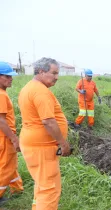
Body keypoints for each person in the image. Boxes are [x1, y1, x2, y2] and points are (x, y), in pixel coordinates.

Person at [18, 57, 71, 209]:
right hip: (42, 147)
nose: (57, 77)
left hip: (34, 144)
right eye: (54, 73)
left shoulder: (30, 87)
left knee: (42, 184)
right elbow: (48, 121)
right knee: (50, 189)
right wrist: (63, 142)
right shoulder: (41, 92)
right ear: (41, 71)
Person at [0, 62, 24, 205]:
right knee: (6, 167)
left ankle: (17, 189)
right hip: (5, 136)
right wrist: (14, 139)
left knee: (9, 165)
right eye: (7, 76)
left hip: (3, 136)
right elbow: (1, 121)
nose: (11, 79)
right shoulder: (1, 95)